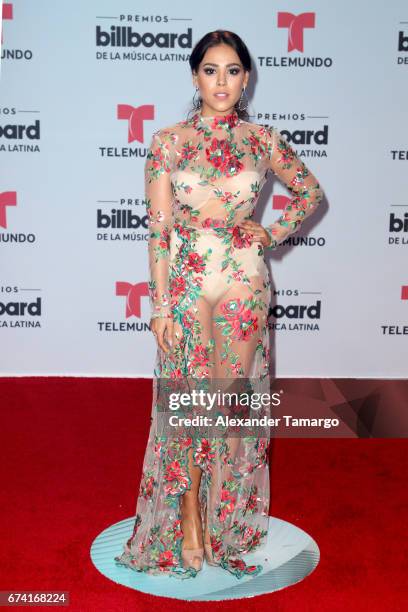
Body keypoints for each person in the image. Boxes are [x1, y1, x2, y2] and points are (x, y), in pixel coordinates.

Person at [114, 30, 324, 580]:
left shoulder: (262, 139)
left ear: (247, 77)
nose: (222, 82)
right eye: (211, 70)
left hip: (244, 284)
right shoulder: (168, 142)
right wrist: (159, 307)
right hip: (185, 284)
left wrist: (271, 231)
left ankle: (222, 517)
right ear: (194, 77)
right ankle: (186, 517)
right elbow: (158, 231)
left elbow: (310, 192)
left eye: (233, 71)